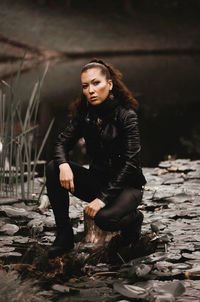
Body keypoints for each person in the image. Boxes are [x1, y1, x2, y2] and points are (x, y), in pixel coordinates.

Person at [46, 59, 146, 258]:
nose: (90, 90)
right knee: (52, 167)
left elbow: (130, 164)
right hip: (99, 180)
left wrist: (102, 199)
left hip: (128, 187)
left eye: (96, 83)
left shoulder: (127, 116)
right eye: (85, 86)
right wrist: (64, 164)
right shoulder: (85, 115)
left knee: (104, 219)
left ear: (109, 85)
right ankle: (64, 235)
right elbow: (60, 143)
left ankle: (135, 218)